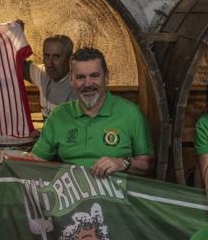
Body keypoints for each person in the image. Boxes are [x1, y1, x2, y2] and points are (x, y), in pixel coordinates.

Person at [30, 47, 154, 177]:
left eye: (94, 76)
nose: (88, 83)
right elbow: (36, 160)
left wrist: (122, 163)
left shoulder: (131, 113)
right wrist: (9, 159)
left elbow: (148, 165)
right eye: (80, 77)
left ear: (106, 77)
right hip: (70, 194)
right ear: (71, 80)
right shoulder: (59, 115)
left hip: (116, 195)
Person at [23, 34, 75, 117]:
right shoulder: (41, 73)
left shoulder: (78, 86)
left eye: (56, 57)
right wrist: (17, 34)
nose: (50, 64)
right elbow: (16, 64)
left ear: (70, 59)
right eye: (47, 56)